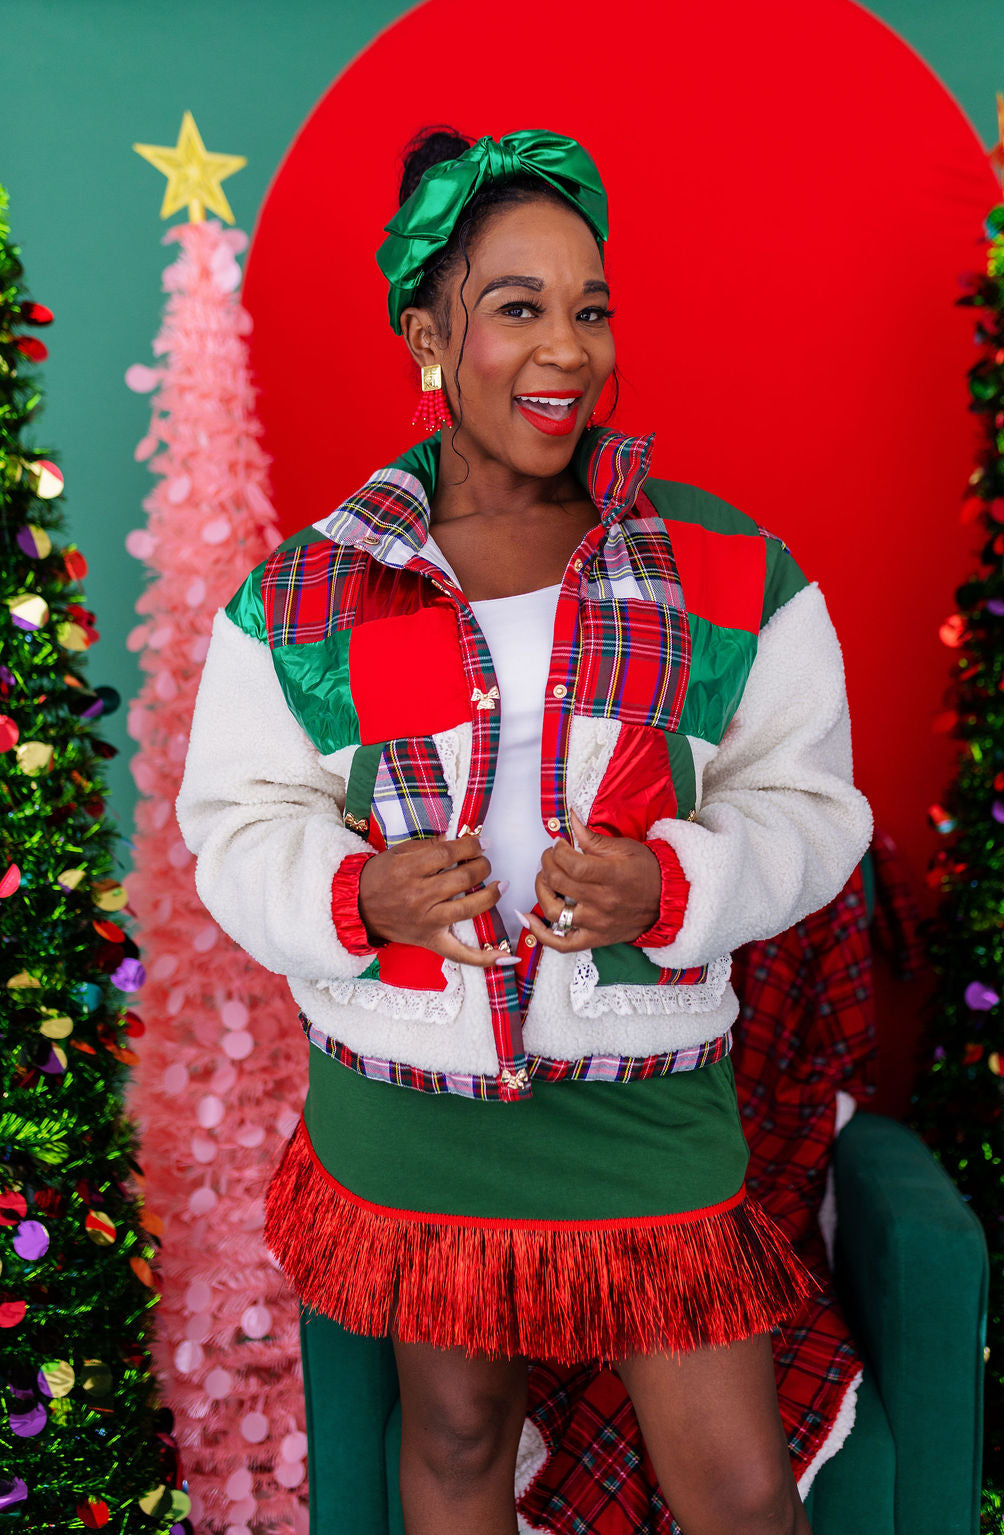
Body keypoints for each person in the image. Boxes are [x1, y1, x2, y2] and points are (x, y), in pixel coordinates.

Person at [176, 126, 873, 1535]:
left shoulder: (726, 572)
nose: (569, 349)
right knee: (452, 1437)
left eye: (591, 307)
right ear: (430, 334)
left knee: (737, 1488)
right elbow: (239, 827)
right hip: (417, 1113)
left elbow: (813, 806)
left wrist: (676, 883)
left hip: (647, 1108)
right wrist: (360, 894)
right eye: (518, 308)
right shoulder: (314, 594)